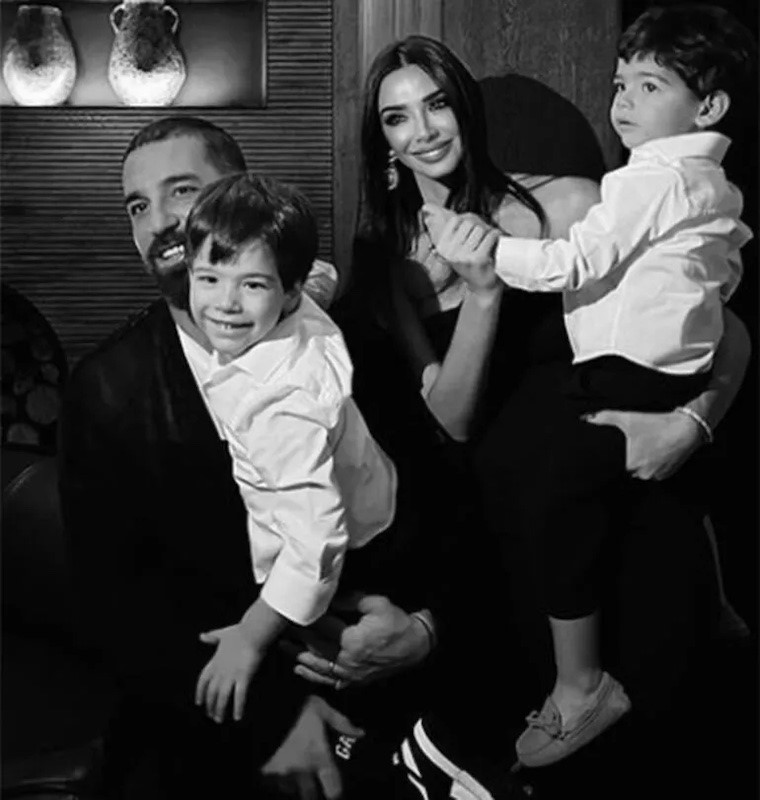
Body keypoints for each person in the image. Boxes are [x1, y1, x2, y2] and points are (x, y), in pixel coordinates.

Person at [294, 33, 753, 799]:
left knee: (660, 748)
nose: (424, 130)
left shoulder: (570, 201)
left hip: (623, 497)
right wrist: (482, 290)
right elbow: (452, 420)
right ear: (384, 145)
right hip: (513, 531)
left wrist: (691, 425)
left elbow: (720, 323)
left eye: (438, 104)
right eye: (397, 118)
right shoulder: (389, 255)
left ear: (466, 112)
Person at [421, 4, 756, 768]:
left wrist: (693, 423)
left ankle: (584, 683)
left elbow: (714, 310)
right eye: (619, 84)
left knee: (555, 492)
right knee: (528, 482)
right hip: (559, 470)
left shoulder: (636, 182)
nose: (624, 102)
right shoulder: (699, 181)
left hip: (629, 410)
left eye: (647, 86)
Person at [58, 116, 401, 799]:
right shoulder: (106, 389)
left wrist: (423, 629)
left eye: (182, 191)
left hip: (380, 679)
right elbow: (119, 611)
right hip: (210, 716)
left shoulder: (340, 338)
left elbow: (439, 498)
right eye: (137, 206)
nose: (159, 222)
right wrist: (279, 720)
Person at [178, 171, 396, 725]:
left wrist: (252, 636)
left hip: (350, 544)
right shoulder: (301, 303)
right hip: (372, 487)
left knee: (317, 653)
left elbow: (316, 539)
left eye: (252, 285)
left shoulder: (282, 411)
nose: (225, 303)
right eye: (208, 278)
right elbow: (321, 277)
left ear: (289, 291)